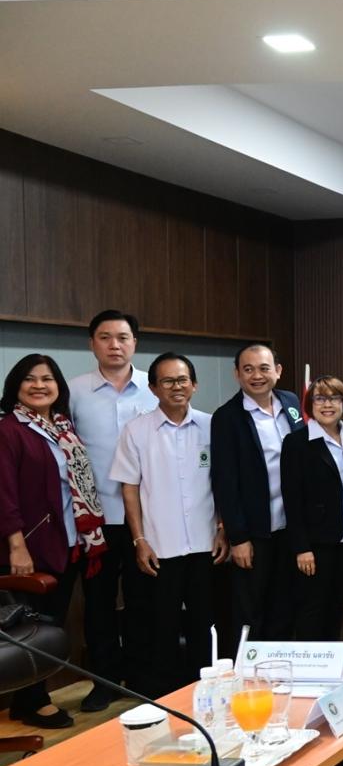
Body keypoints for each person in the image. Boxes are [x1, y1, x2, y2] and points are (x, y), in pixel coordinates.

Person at [0, 354, 107, 728]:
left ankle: (26, 700)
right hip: (30, 546)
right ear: (15, 386)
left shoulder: (62, 427)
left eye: (47, 379)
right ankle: (34, 701)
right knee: (34, 626)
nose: (39, 385)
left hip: (69, 541)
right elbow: (4, 494)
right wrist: (17, 546)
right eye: (29, 379)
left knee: (52, 621)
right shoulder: (9, 429)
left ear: (58, 386)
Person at [112, 353, 227, 694]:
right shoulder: (136, 430)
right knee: (161, 624)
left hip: (207, 544)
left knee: (205, 622)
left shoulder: (212, 425)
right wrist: (139, 540)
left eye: (182, 380)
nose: (176, 387)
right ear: (153, 388)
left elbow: (223, 483)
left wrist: (223, 529)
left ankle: (205, 690)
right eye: (167, 381)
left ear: (194, 385)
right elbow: (129, 488)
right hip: (160, 546)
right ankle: (166, 694)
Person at [66, 309, 158, 711]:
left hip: (148, 518)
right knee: (99, 603)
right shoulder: (73, 392)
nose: (114, 345)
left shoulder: (155, 389)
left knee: (143, 601)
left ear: (135, 343)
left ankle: (140, 677)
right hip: (96, 520)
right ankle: (104, 680)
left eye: (123, 337)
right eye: (105, 337)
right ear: (92, 344)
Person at [210, 343, 302, 641]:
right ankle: (247, 667)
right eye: (248, 369)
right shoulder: (227, 417)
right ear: (237, 374)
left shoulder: (290, 402)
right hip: (254, 531)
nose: (257, 376)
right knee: (251, 610)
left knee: (285, 606)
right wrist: (238, 538)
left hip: (290, 528)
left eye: (264, 368)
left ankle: (279, 665)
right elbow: (225, 481)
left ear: (278, 370)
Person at [281, 377, 343, 641]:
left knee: (338, 609)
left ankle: (331, 662)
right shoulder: (297, 442)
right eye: (320, 398)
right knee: (312, 612)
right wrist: (301, 548)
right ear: (309, 404)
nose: (328, 405)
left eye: (334, 398)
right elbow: (292, 499)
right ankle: (309, 665)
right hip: (316, 546)